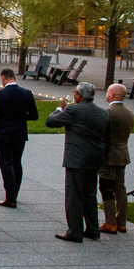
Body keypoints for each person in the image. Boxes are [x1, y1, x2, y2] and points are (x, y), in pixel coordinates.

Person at [46, 82, 110, 243]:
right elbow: (108, 137)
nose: (73, 94)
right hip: (95, 158)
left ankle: (75, 231)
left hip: (77, 159)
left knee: (74, 195)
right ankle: (93, 229)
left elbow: (51, 122)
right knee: (90, 194)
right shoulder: (103, 113)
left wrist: (60, 108)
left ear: (79, 96)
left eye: (75, 92)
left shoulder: (73, 110)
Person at [0, 67, 39, 208]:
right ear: (15, 77)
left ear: (3, 78)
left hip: (4, 134)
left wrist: (2, 119)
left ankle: (10, 197)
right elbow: (34, 115)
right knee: (17, 162)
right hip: (20, 133)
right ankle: (14, 193)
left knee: (6, 164)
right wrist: (21, 117)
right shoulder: (27, 94)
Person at [101, 84, 133, 235]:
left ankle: (110, 222)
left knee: (106, 188)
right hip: (123, 154)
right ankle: (122, 222)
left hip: (109, 156)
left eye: (108, 91)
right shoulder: (129, 113)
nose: (106, 94)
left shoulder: (108, 113)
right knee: (120, 188)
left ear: (113, 94)